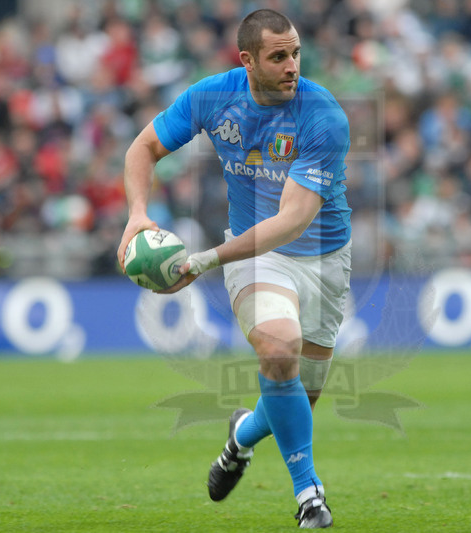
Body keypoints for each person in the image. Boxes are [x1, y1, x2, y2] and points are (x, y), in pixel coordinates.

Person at [116, 8, 351, 529]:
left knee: (296, 395)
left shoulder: (324, 116)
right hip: (255, 254)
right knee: (279, 349)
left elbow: (292, 221)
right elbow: (143, 147)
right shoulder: (212, 96)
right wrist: (137, 215)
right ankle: (309, 494)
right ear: (248, 60)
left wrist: (204, 260)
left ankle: (241, 436)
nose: (292, 66)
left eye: (295, 53)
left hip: (324, 258)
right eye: (278, 56)